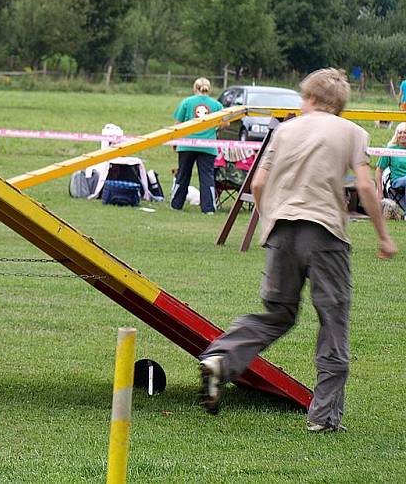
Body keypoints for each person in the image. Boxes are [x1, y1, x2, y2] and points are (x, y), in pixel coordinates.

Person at [197, 68, 397, 432]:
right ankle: (324, 417)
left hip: (281, 231)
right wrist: (384, 236)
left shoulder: (284, 130)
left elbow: (258, 182)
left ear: (310, 98)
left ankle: (220, 358)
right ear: (340, 104)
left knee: (277, 315)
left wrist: (271, 219)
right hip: (325, 235)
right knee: (333, 323)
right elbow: (366, 188)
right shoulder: (352, 132)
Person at [170, 77, 223, 214]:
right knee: (207, 177)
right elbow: (225, 122)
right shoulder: (216, 105)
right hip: (208, 146)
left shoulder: (187, 102)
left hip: (186, 145)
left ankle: (176, 205)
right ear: (209, 89)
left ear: (195, 88)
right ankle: (208, 208)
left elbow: (178, 124)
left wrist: (175, 141)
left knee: (182, 175)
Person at [375, 122, 406, 216]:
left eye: (405, 132)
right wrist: (379, 191)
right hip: (397, 181)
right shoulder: (390, 149)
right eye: (400, 132)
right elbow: (379, 170)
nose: (402, 135)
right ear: (396, 134)